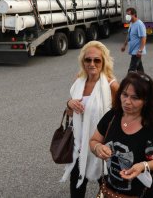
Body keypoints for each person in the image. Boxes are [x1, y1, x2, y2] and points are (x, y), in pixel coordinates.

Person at [89, 72, 153, 198]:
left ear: (146, 101)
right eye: (124, 95)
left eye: (135, 98)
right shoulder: (112, 116)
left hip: (149, 193)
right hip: (113, 191)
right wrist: (97, 148)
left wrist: (144, 166)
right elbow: (94, 140)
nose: (127, 102)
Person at [61, 41, 119, 198]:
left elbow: (121, 116)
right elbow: (71, 114)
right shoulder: (78, 82)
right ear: (83, 61)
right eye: (88, 60)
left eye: (97, 60)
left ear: (103, 61)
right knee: (76, 189)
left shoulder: (111, 85)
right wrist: (69, 103)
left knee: (108, 192)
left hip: (102, 147)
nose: (92, 63)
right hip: (79, 147)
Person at [121, 7, 147, 73]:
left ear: (134, 15)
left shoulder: (139, 24)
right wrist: (124, 45)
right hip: (134, 50)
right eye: (126, 15)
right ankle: (144, 80)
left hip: (137, 51)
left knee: (131, 70)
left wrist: (140, 50)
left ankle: (127, 82)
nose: (127, 17)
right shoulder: (131, 23)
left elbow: (143, 38)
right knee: (139, 69)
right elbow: (129, 35)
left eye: (129, 15)